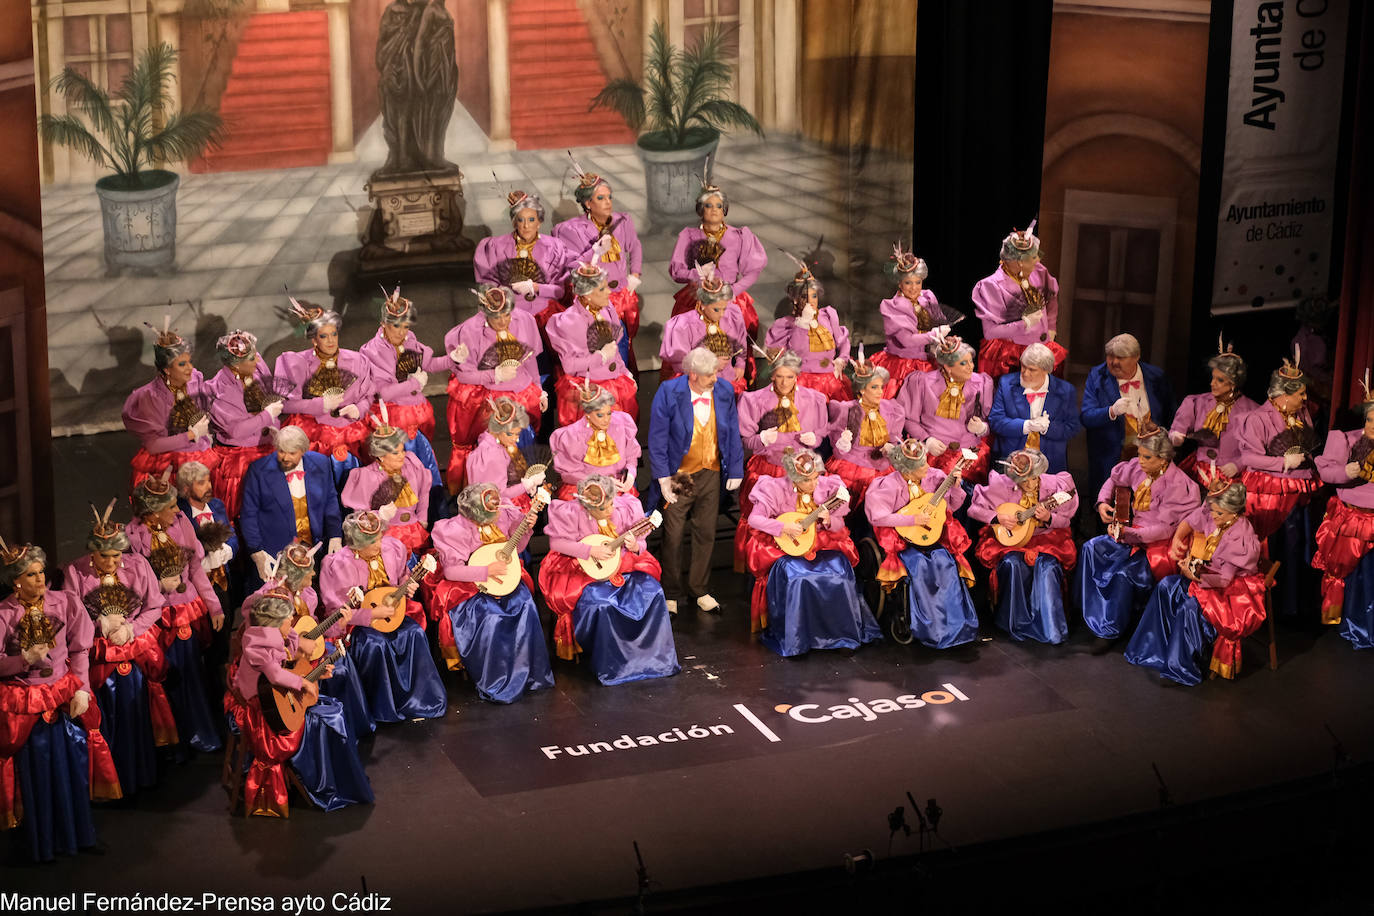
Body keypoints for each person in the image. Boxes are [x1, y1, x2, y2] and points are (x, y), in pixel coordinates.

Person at [0, 538, 116, 860]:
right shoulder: (4, 614)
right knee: (38, 772)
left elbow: (80, 649)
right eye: (31, 574)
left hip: (63, 696)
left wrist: (82, 688)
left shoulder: (64, 602)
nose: (40, 580)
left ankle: (78, 835)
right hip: (27, 703)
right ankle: (43, 843)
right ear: (15, 580)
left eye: (41, 572)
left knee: (71, 767)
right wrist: (22, 659)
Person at [224, 589, 371, 817]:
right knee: (324, 721)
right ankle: (322, 781)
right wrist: (303, 683)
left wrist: (312, 676)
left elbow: (283, 671)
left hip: (273, 697)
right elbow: (275, 675)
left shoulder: (269, 638)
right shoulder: (257, 646)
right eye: (286, 621)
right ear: (274, 624)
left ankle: (335, 777)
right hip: (259, 709)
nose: (290, 625)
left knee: (330, 710)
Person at [62, 503, 175, 795]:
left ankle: (138, 776)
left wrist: (131, 629)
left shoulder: (138, 565)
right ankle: (109, 782)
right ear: (92, 552)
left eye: (116, 555)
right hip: (97, 659)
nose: (112, 562)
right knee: (105, 717)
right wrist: (97, 623)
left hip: (132, 653)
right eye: (104, 556)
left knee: (134, 714)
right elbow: (70, 620)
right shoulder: (75, 572)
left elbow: (155, 607)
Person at [539, 476, 680, 683]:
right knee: (603, 604)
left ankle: (654, 659)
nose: (610, 510)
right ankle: (612, 664)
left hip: (625, 565)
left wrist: (634, 546)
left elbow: (641, 544)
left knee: (653, 592)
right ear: (587, 507)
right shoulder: (571, 512)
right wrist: (589, 550)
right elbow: (556, 543)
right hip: (585, 572)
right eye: (604, 508)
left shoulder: (626, 507)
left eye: (612, 504)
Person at [1124, 479, 1265, 684]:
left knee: (1190, 607)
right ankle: (1154, 649)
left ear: (1234, 513)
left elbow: (1224, 580)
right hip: (1206, 575)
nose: (1213, 515)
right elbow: (1190, 522)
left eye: (1219, 513)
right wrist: (1178, 543)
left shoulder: (1240, 536)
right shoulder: (1215, 514)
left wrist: (1194, 576)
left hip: (1229, 592)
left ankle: (1180, 666)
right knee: (1166, 586)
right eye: (1213, 511)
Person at [1074, 425, 1201, 653]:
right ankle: (1089, 612)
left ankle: (1112, 629)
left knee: (1125, 574)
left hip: (1158, 544)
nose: (1140, 461)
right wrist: (1103, 502)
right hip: (1130, 533)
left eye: (1147, 457)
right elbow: (1113, 479)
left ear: (1163, 459)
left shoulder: (1180, 485)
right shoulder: (1137, 467)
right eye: (1139, 454)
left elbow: (1163, 529)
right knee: (1091, 548)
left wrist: (1129, 534)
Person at [743, 447, 880, 656]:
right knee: (798, 577)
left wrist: (828, 520)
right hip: (786, 547)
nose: (814, 484)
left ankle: (838, 634)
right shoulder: (773, 488)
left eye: (816, 477)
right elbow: (755, 519)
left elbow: (839, 524)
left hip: (821, 543)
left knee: (839, 573)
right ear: (794, 478)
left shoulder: (830, 487)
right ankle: (798, 637)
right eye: (807, 481)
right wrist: (782, 527)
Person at [126, 471, 225, 753]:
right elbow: (133, 585)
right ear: (153, 513)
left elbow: (195, 568)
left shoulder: (182, 524)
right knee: (164, 677)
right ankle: (172, 742)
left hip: (187, 612)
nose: (176, 510)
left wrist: (214, 605)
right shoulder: (133, 537)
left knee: (192, 672)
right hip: (156, 618)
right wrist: (158, 584)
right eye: (169, 507)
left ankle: (200, 733)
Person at [426, 484, 553, 700]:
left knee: (525, 604)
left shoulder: (501, 515)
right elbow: (451, 571)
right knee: (491, 617)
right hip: (469, 587)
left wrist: (526, 528)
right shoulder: (452, 530)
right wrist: (485, 571)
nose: (496, 515)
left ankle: (531, 675)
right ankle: (498, 680)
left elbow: (516, 548)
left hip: (502, 578)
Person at [319, 511, 447, 723]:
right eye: (372, 542)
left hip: (392, 614)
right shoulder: (336, 565)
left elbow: (402, 576)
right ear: (356, 545)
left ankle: (420, 700)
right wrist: (371, 614)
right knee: (376, 644)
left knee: (413, 633)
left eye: (379, 538)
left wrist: (408, 585)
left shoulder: (392, 548)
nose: (379, 545)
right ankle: (384, 707)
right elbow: (336, 613)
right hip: (358, 624)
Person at [241, 542, 373, 744]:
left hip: (297, 659)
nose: (313, 576)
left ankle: (352, 731)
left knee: (341, 665)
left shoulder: (307, 595)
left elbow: (315, 628)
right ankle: (328, 739)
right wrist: (296, 644)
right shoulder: (266, 600)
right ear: (295, 576)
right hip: (273, 674)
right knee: (338, 671)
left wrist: (341, 624)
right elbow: (262, 645)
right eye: (308, 573)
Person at [647, 347, 744, 615]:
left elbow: (733, 431)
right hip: (679, 474)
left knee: (706, 532)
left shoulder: (723, 390)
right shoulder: (669, 392)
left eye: (715, 372)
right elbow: (656, 438)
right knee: (674, 535)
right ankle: (671, 592)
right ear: (692, 374)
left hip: (711, 470)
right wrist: (663, 479)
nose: (715, 377)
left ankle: (699, 589)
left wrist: (735, 469)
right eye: (709, 374)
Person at [1234, 349, 1323, 618]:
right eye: (1300, 394)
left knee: (1298, 545)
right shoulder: (1257, 418)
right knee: (1277, 544)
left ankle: (1294, 605)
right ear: (1283, 395)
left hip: (1299, 490)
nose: (1305, 399)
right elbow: (1248, 457)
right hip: (1269, 491)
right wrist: (1283, 462)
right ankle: (1271, 604)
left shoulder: (1302, 414)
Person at [865, 439, 979, 649]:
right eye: (921, 466)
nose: (928, 467)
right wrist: (912, 519)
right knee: (920, 564)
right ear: (907, 471)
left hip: (931, 536)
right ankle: (928, 627)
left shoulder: (934, 477)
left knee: (944, 560)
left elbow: (952, 506)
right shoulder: (887, 485)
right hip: (902, 540)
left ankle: (954, 625)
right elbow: (877, 517)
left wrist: (954, 487)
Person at [967, 449, 1078, 644]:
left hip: (1046, 539)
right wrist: (996, 517)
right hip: (1012, 541)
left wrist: (1050, 518)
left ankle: (1049, 627)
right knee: (1012, 565)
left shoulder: (1058, 487)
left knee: (1047, 568)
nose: (1028, 484)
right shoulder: (1002, 485)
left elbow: (1066, 521)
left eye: (1032, 479)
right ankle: (1011, 622)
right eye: (1022, 481)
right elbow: (974, 509)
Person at [443, 284, 545, 489]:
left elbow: (529, 358)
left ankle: (526, 489)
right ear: (485, 313)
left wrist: (540, 389)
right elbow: (463, 374)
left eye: (507, 315)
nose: (503, 321)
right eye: (497, 317)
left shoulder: (523, 320)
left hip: (522, 392)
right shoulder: (468, 332)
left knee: (523, 442)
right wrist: (494, 374)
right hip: (490, 397)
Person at [735, 351, 828, 569]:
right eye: (780, 376)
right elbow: (745, 440)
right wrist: (761, 439)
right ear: (772, 376)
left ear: (797, 376)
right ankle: (762, 567)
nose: (785, 382)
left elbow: (822, 431)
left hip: (802, 473)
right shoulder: (754, 400)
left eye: (790, 377)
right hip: (767, 470)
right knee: (762, 522)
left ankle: (802, 561)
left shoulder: (813, 399)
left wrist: (816, 438)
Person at [554, 159, 644, 371]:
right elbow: (572, 264)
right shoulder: (571, 230)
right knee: (602, 346)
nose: (608, 202)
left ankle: (625, 387)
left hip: (623, 293)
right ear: (588, 203)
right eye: (600, 198)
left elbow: (635, 246)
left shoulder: (623, 221)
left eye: (609, 197)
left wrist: (635, 275)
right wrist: (594, 252)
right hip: (595, 297)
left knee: (624, 342)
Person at [122, 318, 218, 493]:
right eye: (182, 364)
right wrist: (191, 434)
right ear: (166, 369)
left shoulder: (194, 378)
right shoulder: (151, 397)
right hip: (168, 467)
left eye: (189, 361)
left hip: (197, 457)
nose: (190, 367)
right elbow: (153, 445)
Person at [240, 426, 343, 586]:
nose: (285, 457)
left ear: (303, 451)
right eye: (281, 451)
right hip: (276, 553)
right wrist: (256, 550)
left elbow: (330, 499)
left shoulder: (321, 463)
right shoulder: (259, 470)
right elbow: (249, 514)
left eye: (292, 453)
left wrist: (335, 534)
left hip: (313, 549)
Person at [1312, 377, 1374, 645]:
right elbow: (1326, 470)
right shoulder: (1346, 439)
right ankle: (1350, 624)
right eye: (1371, 420)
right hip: (1351, 517)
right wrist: (1345, 472)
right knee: (1349, 574)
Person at [1080, 334, 1177, 503]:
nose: (1114, 362)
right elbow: (1086, 417)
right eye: (1110, 356)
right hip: (1111, 458)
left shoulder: (1157, 377)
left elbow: (1172, 415)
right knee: (1108, 510)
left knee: (1148, 508)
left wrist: (1162, 432)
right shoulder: (1098, 376)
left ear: (1136, 357)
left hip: (1151, 460)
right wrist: (1110, 411)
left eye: (1121, 357)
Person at [667, 176, 766, 342]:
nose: (714, 210)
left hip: (730, 296)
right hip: (698, 297)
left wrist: (733, 291)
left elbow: (753, 271)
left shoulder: (738, 236)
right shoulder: (689, 236)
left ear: (724, 209)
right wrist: (698, 275)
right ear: (700, 209)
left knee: (736, 341)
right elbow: (677, 272)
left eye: (719, 206)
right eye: (708, 205)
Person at [276, 297, 374, 457]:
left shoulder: (358, 360)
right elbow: (285, 405)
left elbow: (368, 396)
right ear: (314, 339)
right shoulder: (297, 363)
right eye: (324, 336)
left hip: (352, 430)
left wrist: (359, 409)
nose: (331, 340)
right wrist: (319, 404)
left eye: (334, 334)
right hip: (315, 431)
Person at [547, 262, 638, 426]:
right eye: (602, 289)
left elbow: (613, 348)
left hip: (615, 382)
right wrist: (600, 357)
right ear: (587, 294)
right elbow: (569, 366)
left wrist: (624, 371)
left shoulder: (607, 308)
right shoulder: (568, 321)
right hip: (589, 391)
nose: (609, 292)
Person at [360, 284, 453, 443]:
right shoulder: (372, 352)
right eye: (396, 326)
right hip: (392, 419)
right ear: (383, 323)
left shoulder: (409, 339)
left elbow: (428, 364)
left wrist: (453, 359)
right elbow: (383, 393)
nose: (402, 332)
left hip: (418, 412)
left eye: (406, 326)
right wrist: (414, 383)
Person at [206, 330, 283, 521]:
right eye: (251, 359)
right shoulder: (220, 390)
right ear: (236, 366)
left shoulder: (257, 368)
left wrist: (274, 426)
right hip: (241, 458)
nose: (257, 361)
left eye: (256, 355)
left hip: (268, 449)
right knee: (245, 513)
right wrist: (267, 416)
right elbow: (235, 431)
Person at [971, 221, 1066, 377]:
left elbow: (1051, 297)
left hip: (1042, 349)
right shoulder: (991, 286)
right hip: (1011, 357)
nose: (1038, 261)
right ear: (1020, 262)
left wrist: (1051, 327)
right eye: (1034, 257)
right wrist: (1024, 324)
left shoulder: (1038, 271)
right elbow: (990, 332)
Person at [475, 189, 571, 339]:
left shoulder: (554, 247)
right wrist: (502, 293)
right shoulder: (496, 247)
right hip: (512, 317)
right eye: (521, 220)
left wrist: (536, 287)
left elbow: (560, 291)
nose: (526, 226)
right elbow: (489, 289)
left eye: (531, 220)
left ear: (539, 222)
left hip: (546, 314)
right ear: (514, 222)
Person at [900, 333, 994, 485]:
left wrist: (982, 428)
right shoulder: (922, 383)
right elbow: (909, 419)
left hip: (969, 454)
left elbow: (992, 421)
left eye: (971, 361)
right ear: (948, 367)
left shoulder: (982, 383)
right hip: (932, 455)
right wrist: (927, 440)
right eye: (964, 363)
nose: (971, 367)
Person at [1168, 338, 1258, 489]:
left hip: (1232, 475)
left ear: (1234, 383)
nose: (1212, 383)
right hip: (1199, 470)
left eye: (1220, 380)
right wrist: (1176, 437)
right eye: (1212, 377)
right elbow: (1177, 429)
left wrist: (1238, 464)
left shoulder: (1251, 410)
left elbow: (1256, 449)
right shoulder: (1196, 402)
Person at [342, 417, 434, 560]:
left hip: (415, 531)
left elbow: (424, 492)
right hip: (386, 536)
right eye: (396, 453)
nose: (402, 456)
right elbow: (362, 518)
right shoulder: (367, 476)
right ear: (381, 456)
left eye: (403, 450)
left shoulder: (411, 464)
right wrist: (381, 516)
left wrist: (422, 518)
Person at [870, 243, 955, 397]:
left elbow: (938, 321)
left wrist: (942, 339)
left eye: (918, 282)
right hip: (901, 363)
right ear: (899, 283)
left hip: (924, 360)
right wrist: (933, 335)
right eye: (908, 283)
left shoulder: (926, 298)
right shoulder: (892, 306)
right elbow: (906, 341)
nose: (914, 288)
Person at [763, 255, 851, 401]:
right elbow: (796, 351)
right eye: (805, 296)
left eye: (814, 296)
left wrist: (842, 359)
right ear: (796, 299)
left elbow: (842, 342)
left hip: (830, 380)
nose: (811, 301)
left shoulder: (828, 315)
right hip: (804, 382)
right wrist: (803, 323)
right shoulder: (786, 324)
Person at [824, 347, 905, 506]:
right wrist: (843, 444)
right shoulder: (846, 410)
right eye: (874, 387)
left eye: (881, 387)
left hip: (883, 468)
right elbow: (839, 449)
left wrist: (892, 449)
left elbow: (896, 440)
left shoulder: (892, 410)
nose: (880, 392)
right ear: (861, 390)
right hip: (853, 466)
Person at [987, 342, 1081, 474]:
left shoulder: (1066, 390)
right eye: (1023, 367)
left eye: (1031, 369)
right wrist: (1027, 425)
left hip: (1049, 463)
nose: (1025, 373)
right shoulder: (1006, 383)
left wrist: (1048, 428)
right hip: (1011, 460)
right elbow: (996, 421)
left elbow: (1073, 427)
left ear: (1046, 370)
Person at [660, 264, 748, 395]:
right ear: (702, 305)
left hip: (727, 380)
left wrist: (740, 364)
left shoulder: (731, 315)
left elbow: (740, 342)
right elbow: (680, 363)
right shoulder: (683, 324)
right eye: (716, 309)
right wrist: (709, 365)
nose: (722, 314)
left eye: (724, 308)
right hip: (696, 384)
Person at [550, 382, 640, 500]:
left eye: (609, 413)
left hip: (619, 488)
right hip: (590, 490)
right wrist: (601, 481)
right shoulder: (573, 436)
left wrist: (631, 474)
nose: (606, 420)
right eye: (600, 415)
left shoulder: (621, 423)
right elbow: (569, 475)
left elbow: (631, 455)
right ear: (587, 414)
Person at [465, 397, 547, 511]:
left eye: (518, 434)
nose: (516, 439)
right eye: (511, 434)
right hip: (499, 512)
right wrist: (528, 483)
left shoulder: (489, 440)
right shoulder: (494, 455)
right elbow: (500, 495)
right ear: (498, 430)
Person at [176, 461, 238, 612]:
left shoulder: (217, 505)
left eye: (209, 481)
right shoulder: (179, 513)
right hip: (197, 588)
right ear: (186, 489)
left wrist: (226, 551)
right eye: (201, 483)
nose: (209, 486)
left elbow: (232, 535)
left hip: (223, 580)